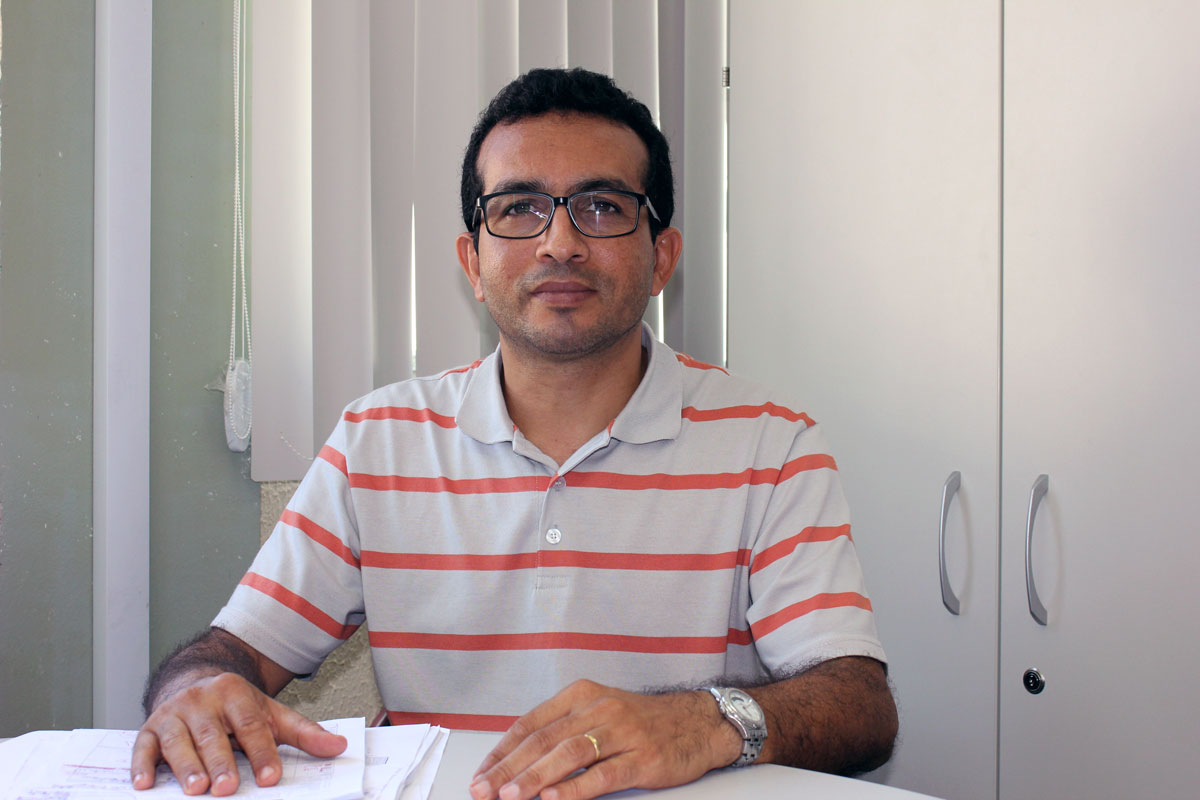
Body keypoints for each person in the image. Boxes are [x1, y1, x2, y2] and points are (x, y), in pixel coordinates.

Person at [131, 68, 897, 800]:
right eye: (519, 208)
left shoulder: (770, 445)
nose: (559, 243)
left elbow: (859, 704)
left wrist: (699, 721)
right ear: (473, 260)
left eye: (602, 207)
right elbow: (226, 654)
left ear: (661, 257)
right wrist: (193, 693)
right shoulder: (377, 442)